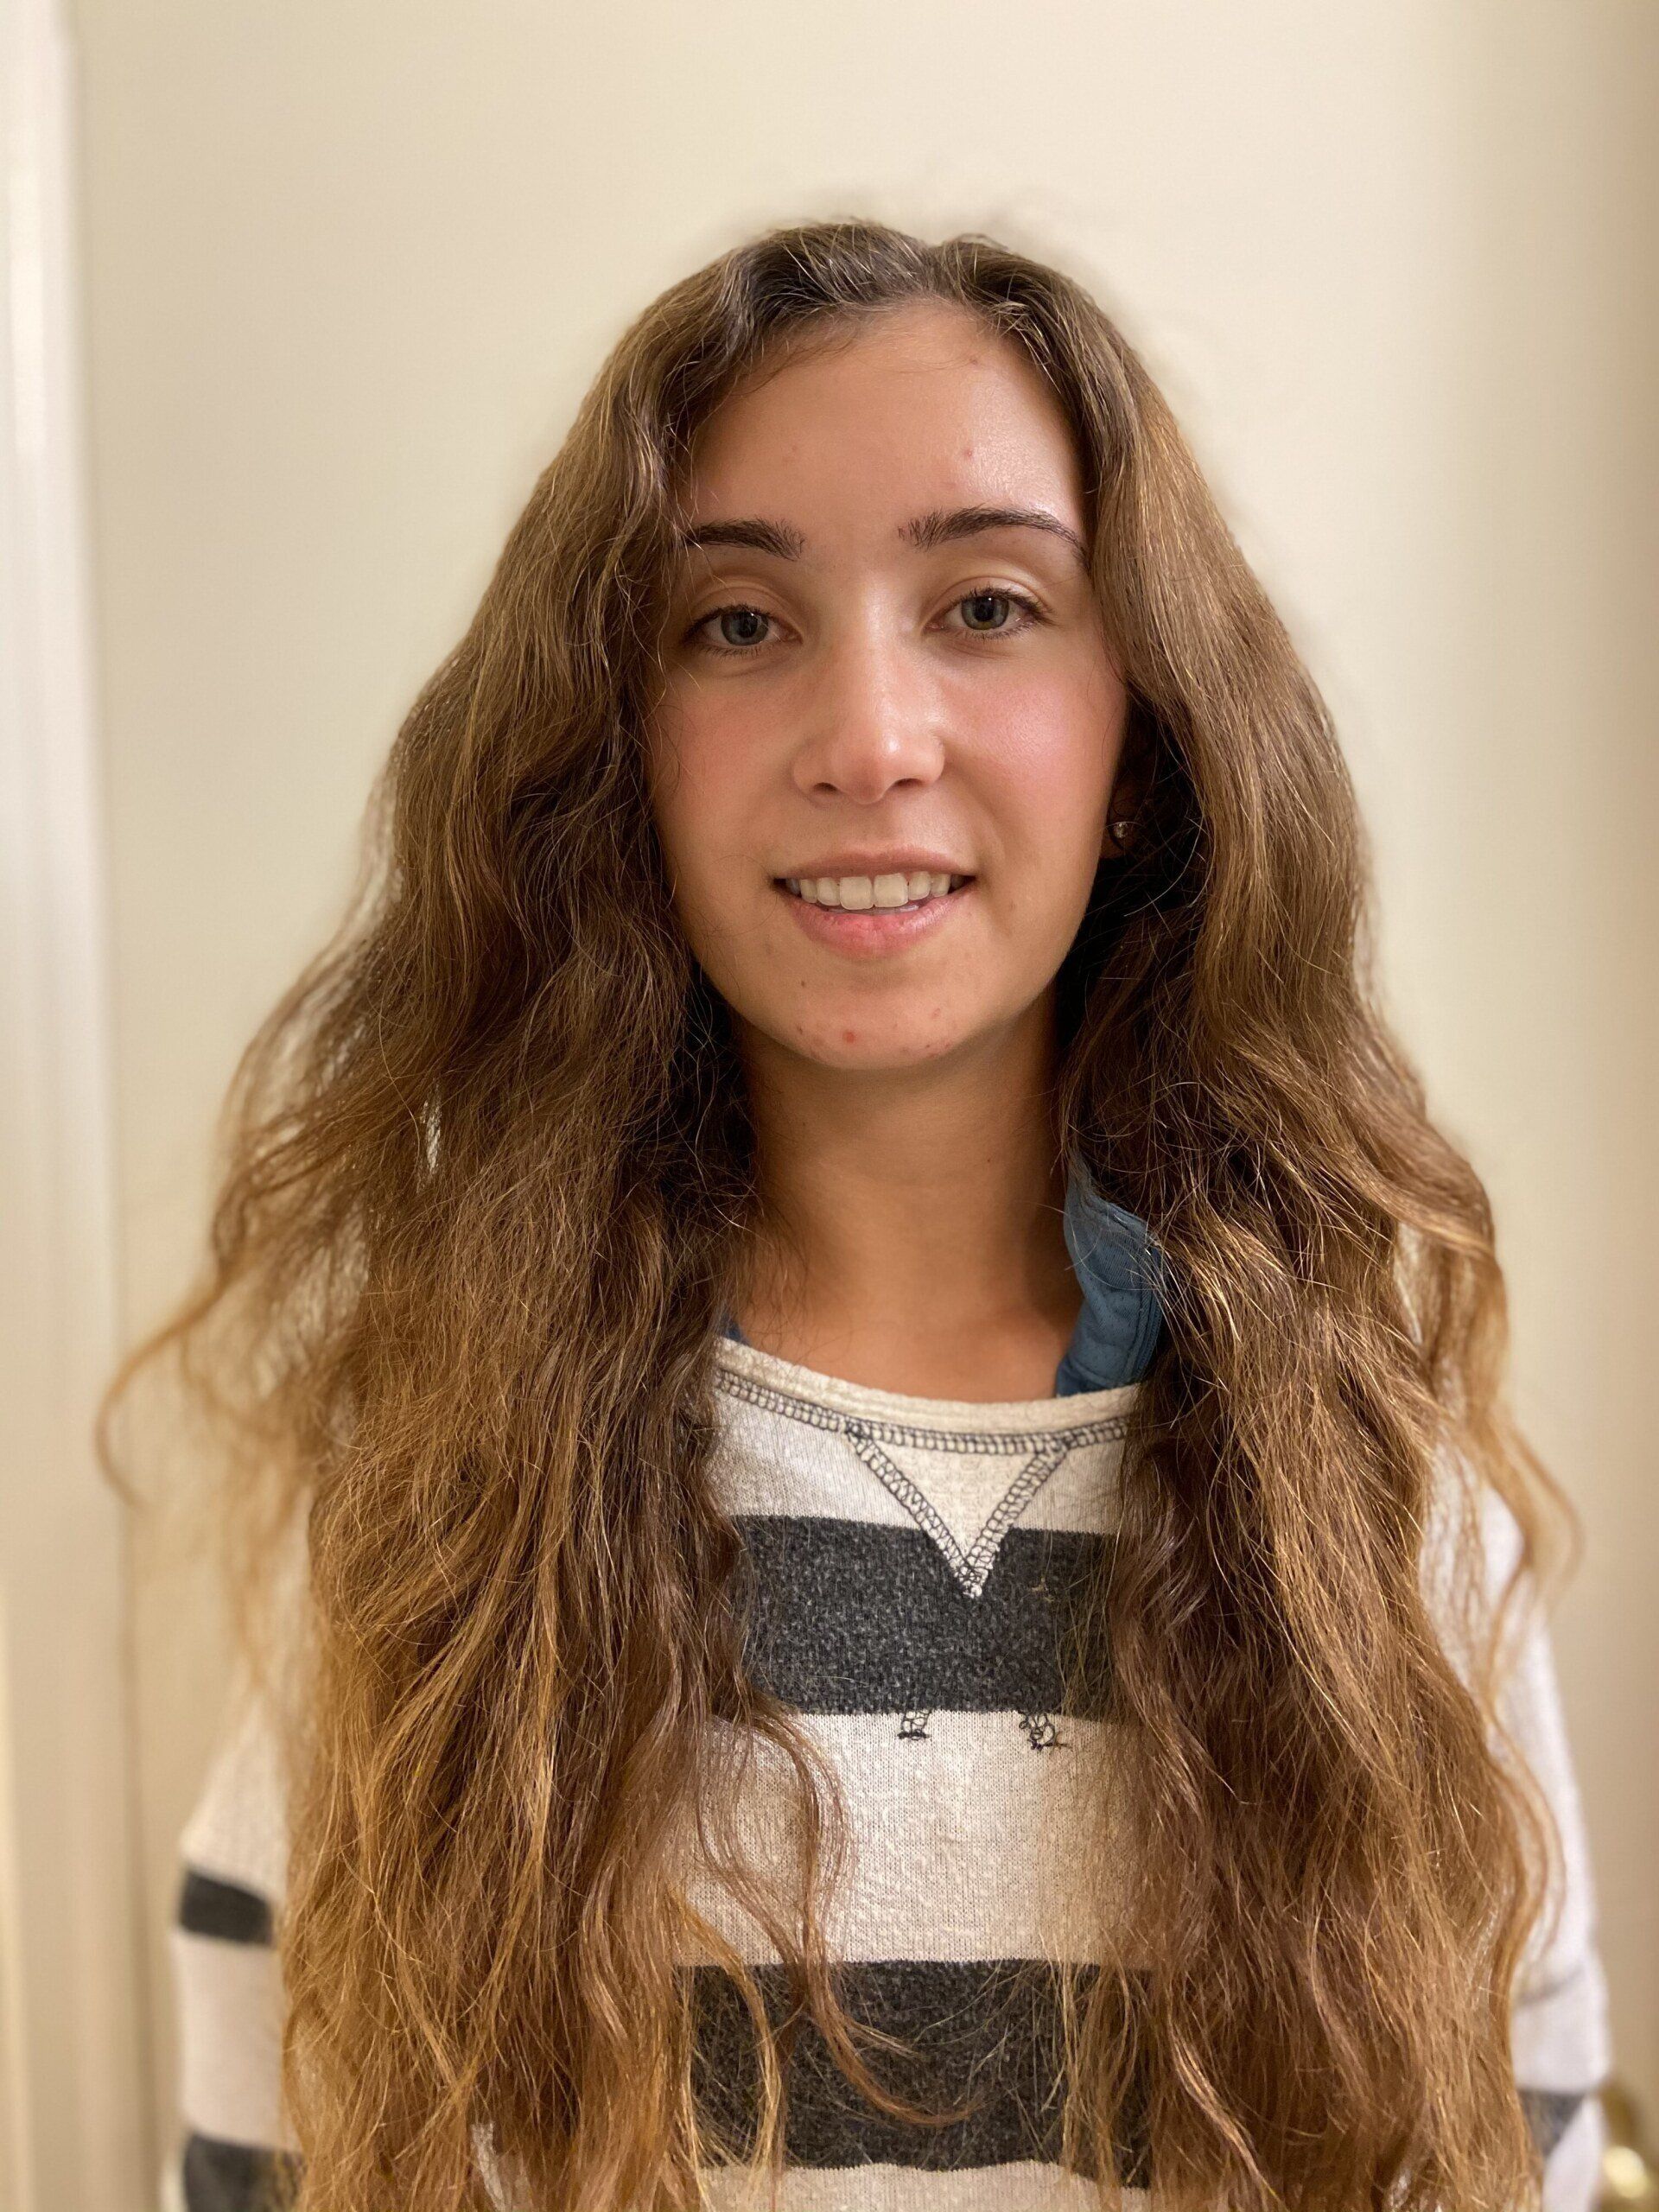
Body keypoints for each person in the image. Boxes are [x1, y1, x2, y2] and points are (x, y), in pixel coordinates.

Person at [106, 217, 1611, 2212]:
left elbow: (1522, 2127)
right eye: (738, 622)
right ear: (619, 752)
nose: (871, 740)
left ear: (1145, 734)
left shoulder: (1379, 1493)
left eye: (987, 604)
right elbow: (262, 2153)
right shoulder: (437, 1493)